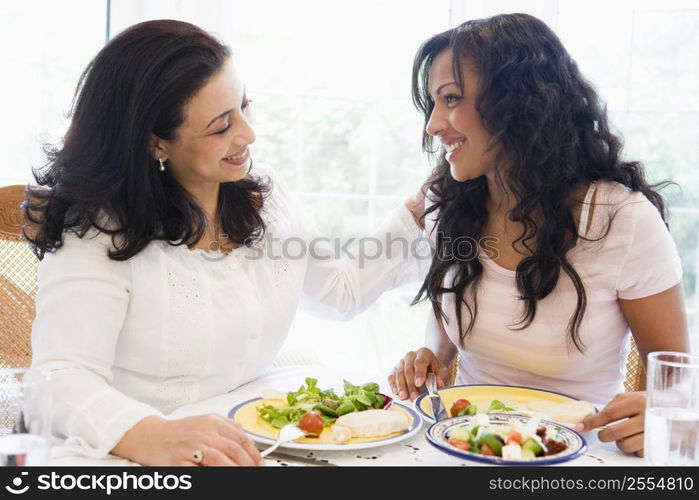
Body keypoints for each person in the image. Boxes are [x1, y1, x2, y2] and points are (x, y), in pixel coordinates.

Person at [26, 20, 426, 466]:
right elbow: (58, 380)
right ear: (156, 142)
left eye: (244, 107)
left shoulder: (263, 195)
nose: (247, 135)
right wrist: (150, 435)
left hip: (251, 442)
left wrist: (416, 213)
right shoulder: (99, 229)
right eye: (221, 126)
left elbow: (340, 293)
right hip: (141, 453)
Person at [387, 13, 689, 457]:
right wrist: (434, 355)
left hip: (579, 453)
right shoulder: (447, 202)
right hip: (460, 445)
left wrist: (663, 415)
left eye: (450, 98)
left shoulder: (622, 220)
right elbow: (454, 298)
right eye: (432, 104)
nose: (433, 125)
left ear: (520, 103)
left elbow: (676, 383)